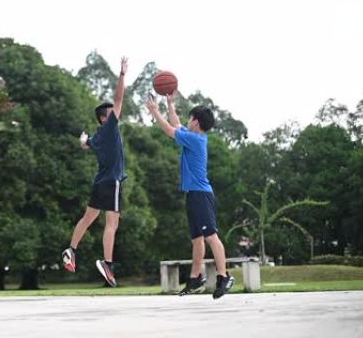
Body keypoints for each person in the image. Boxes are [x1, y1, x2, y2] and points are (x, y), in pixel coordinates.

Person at [145, 92, 234, 299]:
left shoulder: (195, 140)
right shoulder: (194, 137)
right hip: (194, 195)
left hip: (201, 195)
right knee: (197, 239)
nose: (187, 120)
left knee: (211, 236)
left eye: (190, 117)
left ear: (195, 121)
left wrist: (154, 111)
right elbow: (175, 124)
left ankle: (224, 276)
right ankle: (195, 278)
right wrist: (170, 104)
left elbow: (169, 129)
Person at [62, 57, 128, 287]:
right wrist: (122, 75)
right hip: (112, 181)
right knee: (112, 224)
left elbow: (84, 143)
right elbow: (119, 98)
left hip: (99, 182)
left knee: (88, 217)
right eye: (111, 112)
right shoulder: (109, 128)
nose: (115, 113)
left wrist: (82, 140)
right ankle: (107, 263)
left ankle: (71, 250)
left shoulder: (97, 137)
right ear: (104, 118)